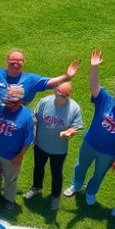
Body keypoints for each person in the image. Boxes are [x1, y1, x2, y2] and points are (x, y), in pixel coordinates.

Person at [64, 50, 115, 206]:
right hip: (90, 143)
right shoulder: (105, 99)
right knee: (81, 166)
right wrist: (94, 67)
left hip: (109, 153)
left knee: (99, 174)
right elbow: (94, 85)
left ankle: (91, 192)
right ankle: (76, 185)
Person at [0, 34, 79, 104]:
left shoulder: (31, 80)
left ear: (23, 63)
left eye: (19, 61)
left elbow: (52, 82)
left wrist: (67, 76)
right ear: (7, 60)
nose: (16, 63)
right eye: (13, 61)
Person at [27, 82, 83, 210]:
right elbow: (35, 119)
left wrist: (69, 132)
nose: (62, 96)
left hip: (59, 149)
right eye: (60, 93)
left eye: (65, 95)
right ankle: (36, 187)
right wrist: (33, 137)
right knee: (38, 168)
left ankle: (55, 196)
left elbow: (75, 126)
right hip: (41, 144)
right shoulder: (45, 102)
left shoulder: (74, 108)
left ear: (69, 94)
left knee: (56, 173)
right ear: (55, 91)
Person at [0, 85, 34, 211]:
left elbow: (28, 140)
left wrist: (20, 156)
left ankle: (9, 199)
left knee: (10, 180)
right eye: (8, 100)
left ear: (21, 101)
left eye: (13, 101)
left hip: (12, 156)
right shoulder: (2, 108)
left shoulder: (27, 116)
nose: (9, 104)